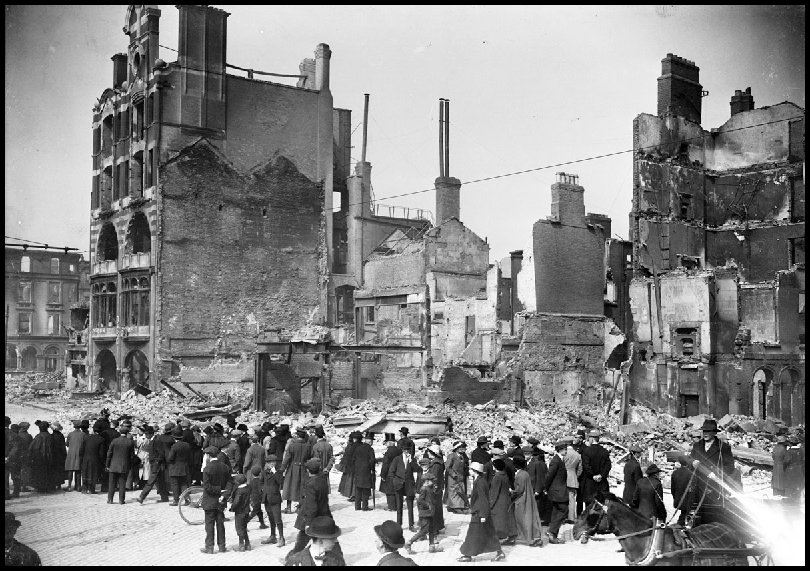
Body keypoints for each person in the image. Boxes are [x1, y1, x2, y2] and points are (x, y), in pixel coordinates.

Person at [689, 419, 735, 526]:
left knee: (712, 516)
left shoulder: (723, 447)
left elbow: (730, 467)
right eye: (704, 431)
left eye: (708, 431)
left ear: (714, 433)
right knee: (697, 515)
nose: (705, 433)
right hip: (698, 485)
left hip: (714, 487)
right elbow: (690, 459)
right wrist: (692, 462)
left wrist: (716, 473)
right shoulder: (697, 445)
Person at [457, 461, 505, 562]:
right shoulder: (479, 480)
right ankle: (499, 553)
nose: (469, 471)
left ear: (475, 471)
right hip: (481, 512)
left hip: (480, 513)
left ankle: (467, 555)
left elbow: (483, 499)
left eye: (470, 469)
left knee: (473, 534)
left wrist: (483, 515)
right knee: (489, 534)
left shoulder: (480, 483)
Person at [289, 457, 332, 557]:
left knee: (302, 540)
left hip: (312, 517)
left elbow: (312, 506)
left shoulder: (311, 484)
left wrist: (308, 523)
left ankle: (291, 558)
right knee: (323, 540)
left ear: (308, 470)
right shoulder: (322, 480)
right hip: (324, 514)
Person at [200, 446, 234, 554]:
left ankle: (209, 547)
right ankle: (222, 546)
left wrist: (218, 490)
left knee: (209, 525)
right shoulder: (225, 467)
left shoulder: (207, 469)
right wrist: (224, 494)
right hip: (221, 500)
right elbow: (230, 482)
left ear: (208, 456)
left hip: (210, 500)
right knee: (220, 524)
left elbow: (207, 486)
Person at [404, 471, 441, 554]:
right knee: (424, 531)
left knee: (431, 529)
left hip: (430, 512)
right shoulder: (424, 489)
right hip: (425, 513)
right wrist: (428, 505)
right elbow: (420, 500)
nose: (433, 482)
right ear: (426, 481)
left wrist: (435, 490)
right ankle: (409, 543)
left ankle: (432, 546)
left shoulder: (429, 488)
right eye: (432, 481)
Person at [512, 456, 543, 546]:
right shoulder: (525, 473)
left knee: (521, 518)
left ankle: (525, 538)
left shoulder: (519, 475)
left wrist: (512, 492)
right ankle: (533, 537)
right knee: (529, 517)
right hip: (528, 496)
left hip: (521, 498)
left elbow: (519, 490)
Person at [389, 442, 420, 531]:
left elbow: (417, 469)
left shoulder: (412, 459)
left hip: (409, 484)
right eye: (405, 449)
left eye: (408, 449)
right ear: (402, 450)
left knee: (410, 506)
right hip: (399, 484)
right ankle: (399, 524)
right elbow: (391, 472)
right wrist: (395, 481)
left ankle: (411, 525)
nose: (406, 451)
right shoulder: (397, 459)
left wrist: (411, 461)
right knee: (399, 506)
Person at [282, 427, 313, 514]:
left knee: (289, 487)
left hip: (292, 468)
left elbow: (287, 458)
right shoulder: (308, 446)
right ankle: (300, 507)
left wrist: (282, 469)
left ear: (297, 436)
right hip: (303, 468)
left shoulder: (292, 446)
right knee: (302, 487)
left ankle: (288, 508)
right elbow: (310, 458)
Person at [137, 424, 170, 504]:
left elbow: (161, 453)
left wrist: (157, 461)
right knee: (160, 482)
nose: (146, 435)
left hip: (156, 465)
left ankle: (142, 497)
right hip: (155, 464)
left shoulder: (156, 441)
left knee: (151, 481)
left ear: (151, 433)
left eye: (147, 434)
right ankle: (164, 497)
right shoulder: (153, 440)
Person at [544, 440, 569, 544]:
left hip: (557, 491)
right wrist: (546, 488)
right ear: (560, 450)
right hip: (558, 491)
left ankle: (553, 535)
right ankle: (552, 531)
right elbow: (549, 476)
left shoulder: (559, 459)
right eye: (565, 449)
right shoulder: (556, 461)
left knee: (556, 511)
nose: (566, 451)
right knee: (563, 510)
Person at [489, 457, 517, 545]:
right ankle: (510, 536)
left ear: (495, 467)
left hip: (499, 502)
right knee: (507, 518)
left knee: (498, 520)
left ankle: (500, 536)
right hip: (506, 499)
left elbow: (494, 492)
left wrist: (490, 504)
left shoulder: (497, 477)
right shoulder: (504, 475)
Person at [260, 455, 286, 547]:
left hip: (275, 498)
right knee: (270, 518)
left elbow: (280, 482)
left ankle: (281, 537)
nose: (270, 464)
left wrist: (274, 472)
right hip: (266, 498)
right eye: (268, 462)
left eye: (272, 462)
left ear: (275, 463)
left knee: (277, 518)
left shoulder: (278, 472)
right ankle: (272, 536)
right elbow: (261, 482)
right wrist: (263, 490)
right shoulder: (264, 472)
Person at [106, 424, 136, 504]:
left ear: (120, 432)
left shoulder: (114, 441)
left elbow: (109, 454)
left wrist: (107, 465)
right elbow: (132, 456)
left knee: (111, 483)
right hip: (124, 466)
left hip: (113, 465)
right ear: (127, 433)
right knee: (122, 483)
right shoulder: (130, 442)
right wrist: (130, 465)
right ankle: (121, 500)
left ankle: (110, 499)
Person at [581, 429, 611, 505]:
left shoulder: (586, 451)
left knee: (590, 507)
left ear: (591, 439)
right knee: (602, 506)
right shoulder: (604, 451)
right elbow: (608, 466)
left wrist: (593, 475)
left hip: (590, 483)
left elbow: (586, 466)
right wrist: (601, 475)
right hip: (602, 483)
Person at [526, 444, 550, 527]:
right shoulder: (526, 463)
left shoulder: (537, 463)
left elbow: (539, 477)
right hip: (528, 488)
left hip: (534, 489)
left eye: (527, 454)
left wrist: (537, 490)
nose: (525, 456)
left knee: (536, 506)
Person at [167, 427, 191, 506]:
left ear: (174, 438)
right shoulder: (187, 445)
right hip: (184, 467)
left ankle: (176, 500)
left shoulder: (174, 446)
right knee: (184, 484)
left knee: (175, 484)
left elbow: (170, 458)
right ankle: (187, 499)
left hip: (175, 467)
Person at [352, 432, 376, 511]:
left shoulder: (358, 448)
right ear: (370, 441)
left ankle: (357, 506)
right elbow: (372, 461)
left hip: (358, 471)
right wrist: (372, 469)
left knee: (358, 489)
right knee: (366, 489)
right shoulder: (370, 449)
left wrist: (356, 467)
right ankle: (365, 507)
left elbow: (353, 459)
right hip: (366, 471)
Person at [229, 473, 252, 551]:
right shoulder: (248, 488)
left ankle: (241, 545)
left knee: (239, 528)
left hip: (239, 511)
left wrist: (232, 508)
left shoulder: (239, 491)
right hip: (246, 510)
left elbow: (236, 501)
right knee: (244, 527)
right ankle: (248, 544)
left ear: (238, 482)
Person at [444, 440, 469, 512]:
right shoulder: (452, 456)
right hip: (453, 477)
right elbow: (447, 466)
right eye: (461, 447)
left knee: (460, 491)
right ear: (456, 448)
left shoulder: (464, 455)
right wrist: (454, 474)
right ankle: (454, 507)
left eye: (463, 447)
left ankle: (459, 506)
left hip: (461, 476)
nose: (462, 449)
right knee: (453, 492)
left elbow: (466, 463)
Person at [426, 443, 445, 534]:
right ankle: (439, 526)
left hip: (435, 489)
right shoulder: (438, 462)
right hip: (438, 488)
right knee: (438, 508)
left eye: (429, 452)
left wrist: (433, 488)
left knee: (434, 509)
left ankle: (434, 528)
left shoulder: (435, 464)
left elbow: (435, 477)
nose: (428, 453)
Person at [379, 433, 401, 511]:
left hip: (389, 473)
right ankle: (397, 506)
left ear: (389, 442)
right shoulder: (399, 450)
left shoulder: (388, 451)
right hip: (398, 473)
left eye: (386, 442)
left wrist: (382, 474)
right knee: (396, 490)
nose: (386, 444)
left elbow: (385, 464)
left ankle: (391, 507)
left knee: (389, 491)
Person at [81, 423, 106, 494]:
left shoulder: (87, 438)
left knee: (85, 473)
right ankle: (91, 489)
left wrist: (82, 458)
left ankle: (84, 489)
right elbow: (101, 453)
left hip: (86, 458)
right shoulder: (101, 439)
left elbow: (81, 449)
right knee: (93, 474)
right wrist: (102, 461)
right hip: (95, 459)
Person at [670, 454, 694, 526]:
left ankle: (680, 525)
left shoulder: (675, 473)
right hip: (687, 500)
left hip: (678, 498)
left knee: (683, 514)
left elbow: (672, 488)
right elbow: (693, 489)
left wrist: (675, 497)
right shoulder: (690, 474)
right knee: (684, 516)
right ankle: (679, 526)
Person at [564, 437, 583, 523]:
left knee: (562, 498)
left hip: (563, 477)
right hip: (573, 477)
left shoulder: (563, 454)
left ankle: (563, 516)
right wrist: (576, 476)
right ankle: (571, 517)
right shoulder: (577, 455)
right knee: (572, 499)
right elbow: (580, 469)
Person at [337, 431, 360, 501]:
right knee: (352, 481)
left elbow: (347, 456)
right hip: (353, 466)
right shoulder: (355, 445)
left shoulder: (351, 446)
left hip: (352, 466)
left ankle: (353, 494)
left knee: (351, 481)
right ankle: (353, 494)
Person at [311, 426, 334, 494]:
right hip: (326, 471)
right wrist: (328, 468)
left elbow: (316, 460)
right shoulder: (329, 445)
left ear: (316, 436)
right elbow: (332, 458)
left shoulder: (316, 446)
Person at [64, 421, 86, 492]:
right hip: (79, 453)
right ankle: (78, 486)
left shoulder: (70, 434)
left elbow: (67, 444)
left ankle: (69, 486)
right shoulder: (83, 434)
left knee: (70, 470)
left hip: (71, 454)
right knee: (78, 470)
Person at [783, 435, 805, 503]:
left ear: (790, 443)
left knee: (790, 488)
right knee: (799, 487)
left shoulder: (788, 452)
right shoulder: (802, 451)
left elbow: (785, 462)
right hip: (800, 471)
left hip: (790, 471)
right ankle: (798, 501)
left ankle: (790, 501)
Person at [247, 465, 269, 529]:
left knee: (259, 512)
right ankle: (244, 523)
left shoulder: (251, 482)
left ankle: (262, 524)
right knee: (255, 511)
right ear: (260, 473)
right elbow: (260, 491)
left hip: (253, 498)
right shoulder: (259, 482)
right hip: (257, 499)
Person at [49, 422, 67, 492]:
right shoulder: (61, 436)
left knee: (54, 470)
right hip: (60, 455)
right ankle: (59, 484)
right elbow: (63, 446)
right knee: (60, 469)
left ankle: (54, 484)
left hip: (54, 455)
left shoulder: (51, 436)